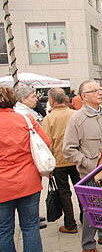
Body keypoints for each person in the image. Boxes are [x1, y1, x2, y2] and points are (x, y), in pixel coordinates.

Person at [62, 80, 102, 252]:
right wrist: (86, 163)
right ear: (84, 97)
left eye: (100, 89)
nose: (100, 93)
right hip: (90, 174)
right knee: (92, 210)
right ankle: (88, 245)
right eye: (95, 91)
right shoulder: (77, 119)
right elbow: (68, 150)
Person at [0, 87, 49, 252]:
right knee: (30, 226)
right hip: (28, 182)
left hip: (2, 186)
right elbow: (45, 141)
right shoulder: (25, 119)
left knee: (4, 231)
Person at [42, 88, 81, 234]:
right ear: (65, 98)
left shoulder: (49, 118)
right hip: (76, 159)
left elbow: (47, 143)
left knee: (64, 193)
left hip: (59, 162)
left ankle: (70, 224)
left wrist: (48, 167)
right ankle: (85, 217)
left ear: (51, 101)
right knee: (80, 190)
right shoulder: (75, 114)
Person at [14, 86, 47, 229]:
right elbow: (44, 140)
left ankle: (32, 215)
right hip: (26, 167)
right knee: (29, 225)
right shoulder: (23, 115)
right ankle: (31, 217)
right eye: (33, 97)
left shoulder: (26, 113)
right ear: (23, 99)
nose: (36, 99)